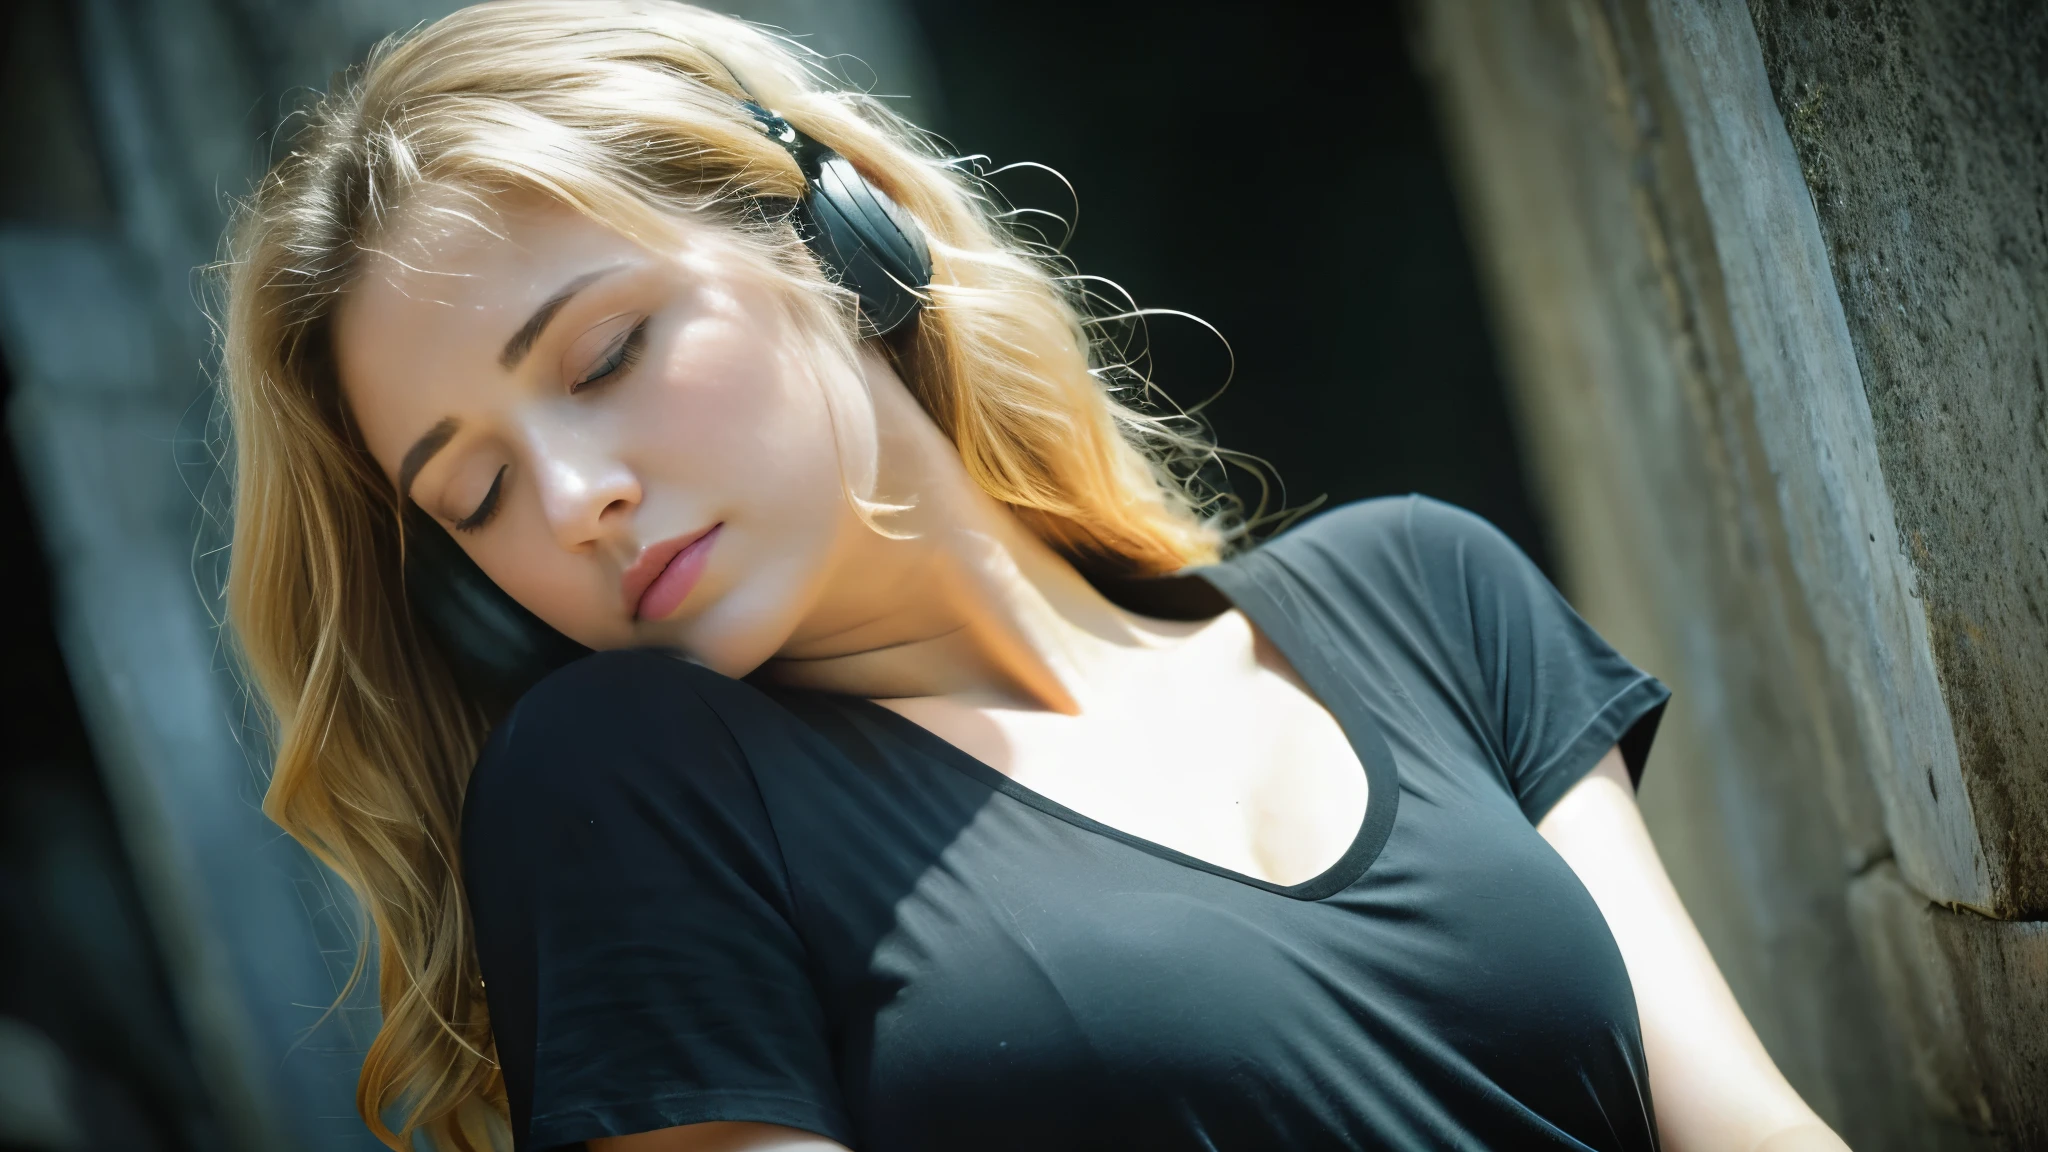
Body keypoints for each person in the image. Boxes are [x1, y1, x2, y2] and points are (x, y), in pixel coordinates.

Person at [216, 2, 1852, 1149]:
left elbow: (1754, 1129)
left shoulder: (1427, 594)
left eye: (608, 351)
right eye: (479, 490)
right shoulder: (629, 792)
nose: (577, 498)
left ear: (833, 240)